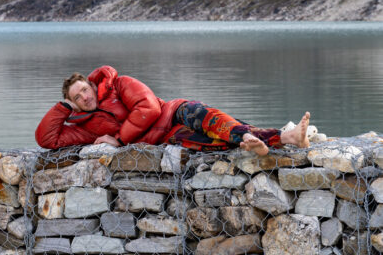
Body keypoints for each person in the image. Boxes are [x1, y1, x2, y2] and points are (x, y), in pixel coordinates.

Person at [35, 65, 311, 156]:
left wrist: (119, 139)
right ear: (72, 104)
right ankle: (285, 137)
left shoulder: (119, 84)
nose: (84, 97)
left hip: (173, 112)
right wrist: (63, 109)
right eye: (76, 97)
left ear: (93, 85)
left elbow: (149, 108)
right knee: (210, 142)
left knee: (208, 119)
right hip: (167, 138)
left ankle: (258, 137)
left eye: (85, 90)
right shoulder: (85, 127)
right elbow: (47, 139)